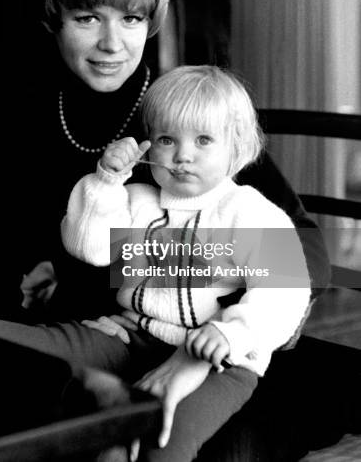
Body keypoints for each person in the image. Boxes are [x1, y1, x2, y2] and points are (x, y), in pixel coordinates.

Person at [0, 0, 330, 460]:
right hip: (89, 345)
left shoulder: (187, 126)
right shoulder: (30, 124)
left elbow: (307, 255)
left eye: (131, 19)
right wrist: (54, 280)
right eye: (87, 17)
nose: (112, 44)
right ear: (53, 19)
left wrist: (187, 335)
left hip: (207, 351)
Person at [59, 64, 311, 457]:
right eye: (166, 139)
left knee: (165, 440)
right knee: (70, 383)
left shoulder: (246, 210)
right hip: (137, 334)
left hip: (220, 359)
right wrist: (106, 181)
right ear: (149, 146)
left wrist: (232, 334)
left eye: (204, 140)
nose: (182, 156)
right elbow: (88, 248)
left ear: (236, 146)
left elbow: (287, 287)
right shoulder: (137, 199)